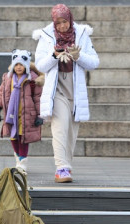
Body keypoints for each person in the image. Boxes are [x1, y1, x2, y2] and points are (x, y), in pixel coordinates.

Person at [32, 4, 99, 183]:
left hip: (75, 88)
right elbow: (40, 65)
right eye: (58, 22)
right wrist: (54, 55)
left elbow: (94, 62)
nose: (62, 26)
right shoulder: (46, 35)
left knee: (71, 131)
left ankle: (67, 166)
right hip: (57, 87)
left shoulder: (82, 33)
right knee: (60, 126)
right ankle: (61, 167)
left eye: (65, 21)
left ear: (70, 19)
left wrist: (79, 56)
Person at [0, 49, 44, 175]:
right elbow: (1, 94)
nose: (19, 67)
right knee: (13, 137)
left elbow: (38, 98)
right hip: (11, 115)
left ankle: (22, 163)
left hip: (26, 115)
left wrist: (40, 114)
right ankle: (18, 159)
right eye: (16, 64)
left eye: (21, 64)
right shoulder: (8, 78)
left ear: (26, 65)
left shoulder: (32, 80)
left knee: (23, 138)